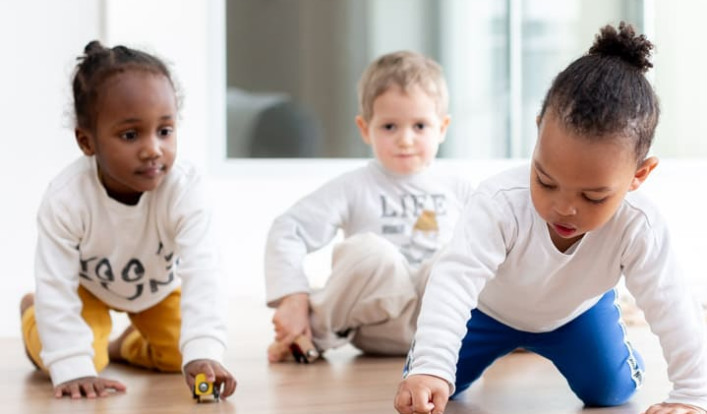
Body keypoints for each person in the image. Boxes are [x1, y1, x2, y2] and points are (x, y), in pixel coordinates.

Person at [395, 22, 707, 414]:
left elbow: (673, 305)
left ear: (638, 176)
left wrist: (692, 396)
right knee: (435, 387)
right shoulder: (499, 202)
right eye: (545, 181)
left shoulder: (638, 225)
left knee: (612, 392)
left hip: (575, 316)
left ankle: (606, 333)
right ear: (538, 134)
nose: (564, 207)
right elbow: (453, 283)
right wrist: (431, 366)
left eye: (593, 195)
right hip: (487, 311)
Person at [19, 41, 236, 399]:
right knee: (80, 357)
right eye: (131, 135)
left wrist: (204, 353)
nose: (153, 149)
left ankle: (127, 345)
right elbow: (56, 283)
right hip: (86, 289)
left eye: (164, 131)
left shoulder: (185, 189)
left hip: (156, 291)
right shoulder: (66, 199)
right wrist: (72, 367)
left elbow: (205, 272)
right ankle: (32, 314)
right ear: (86, 141)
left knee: (179, 355)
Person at [265, 51, 471, 361]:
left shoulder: (458, 188)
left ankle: (506, 333)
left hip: (441, 330)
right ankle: (305, 335)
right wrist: (292, 296)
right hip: (372, 321)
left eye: (419, 126)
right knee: (374, 254)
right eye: (390, 127)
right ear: (365, 129)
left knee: (457, 259)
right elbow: (287, 230)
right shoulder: (354, 186)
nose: (405, 140)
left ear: (442, 127)